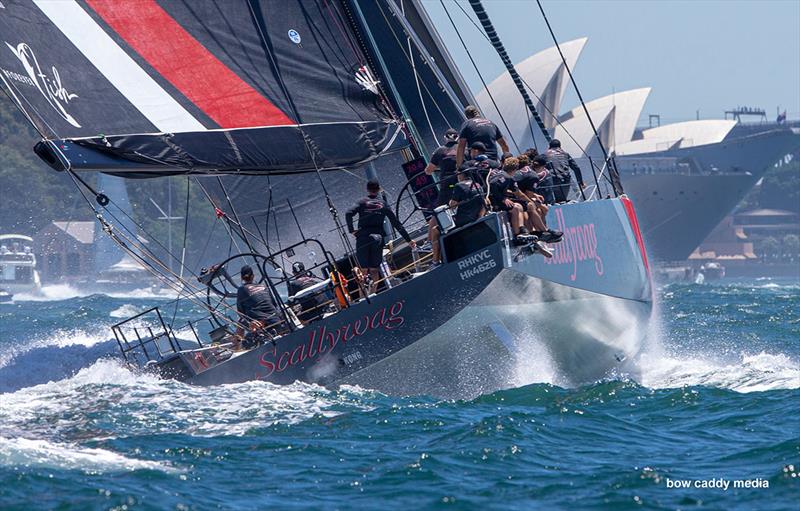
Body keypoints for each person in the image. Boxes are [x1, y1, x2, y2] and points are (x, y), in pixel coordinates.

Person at [346, 180, 416, 294]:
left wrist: (351, 230)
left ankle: (363, 297)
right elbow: (396, 223)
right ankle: (373, 293)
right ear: (378, 189)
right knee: (374, 269)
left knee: (363, 270)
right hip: (377, 238)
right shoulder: (383, 204)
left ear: (367, 189)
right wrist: (409, 240)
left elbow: (348, 213)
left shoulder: (361, 202)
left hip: (363, 237)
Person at [515, 155, 563, 243]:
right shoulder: (534, 176)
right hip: (515, 198)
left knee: (539, 209)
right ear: (542, 167)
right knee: (534, 207)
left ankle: (540, 234)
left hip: (516, 196)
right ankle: (544, 231)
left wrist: (535, 195)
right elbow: (527, 194)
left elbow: (524, 190)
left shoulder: (526, 169)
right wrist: (539, 204)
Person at [236, 265, 283, 348]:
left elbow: (241, 312)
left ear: (241, 278)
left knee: (241, 322)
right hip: (277, 321)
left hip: (262, 326)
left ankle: (238, 349)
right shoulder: (264, 286)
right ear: (253, 276)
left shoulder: (241, 289)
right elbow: (275, 305)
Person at [455, 105, 509, 169]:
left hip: (478, 164)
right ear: (478, 113)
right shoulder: (491, 123)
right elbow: (504, 145)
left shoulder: (467, 124)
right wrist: (507, 162)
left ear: (467, 116)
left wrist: (459, 166)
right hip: (493, 163)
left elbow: (461, 146)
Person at [544, 139, 585, 203]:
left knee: (551, 202)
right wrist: (581, 183)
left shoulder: (545, 155)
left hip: (553, 181)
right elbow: (576, 168)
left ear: (549, 146)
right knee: (561, 200)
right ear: (560, 146)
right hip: (565, 180)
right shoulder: (565, 154)